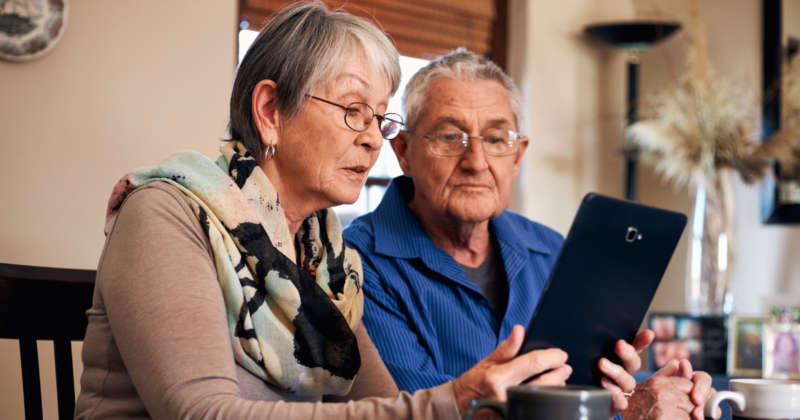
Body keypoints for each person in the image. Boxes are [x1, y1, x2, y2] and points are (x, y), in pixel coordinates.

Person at [74, 4, 573, 419]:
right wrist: (453, 398)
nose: (374, 137)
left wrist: (482, 404)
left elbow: (386, 407)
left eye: (380, 118)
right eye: (353, 110)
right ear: (270, 111)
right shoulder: (166, 214)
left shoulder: (324, 257)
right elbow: (202, 412)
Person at [344, 50, 719, 420]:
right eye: (449, 136)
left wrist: (636, 393)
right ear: (405, 151)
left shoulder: (552, 249)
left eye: (495, 140)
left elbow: (589, 388)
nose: (476, 162)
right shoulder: (354, 262)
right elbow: (419, 412)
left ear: (518, 155)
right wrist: (621, 409)